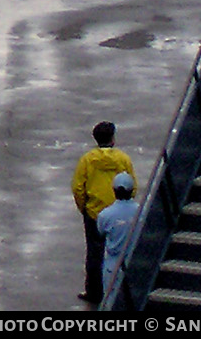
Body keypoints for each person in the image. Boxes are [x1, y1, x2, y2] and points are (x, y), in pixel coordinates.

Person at [72, 121, 135, 302]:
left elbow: (78, 187)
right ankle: (120, 288)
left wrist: (83, 207)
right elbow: (133, 183)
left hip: (94, 212)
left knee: (94, 253)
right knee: (121, 250)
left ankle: (94, 292)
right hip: (119, 211)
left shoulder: (87, 160)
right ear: (113, 138)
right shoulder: (123, 159)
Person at [95, 172, 141, 298]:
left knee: (110, 299)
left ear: (114, 190)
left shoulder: (105, 215)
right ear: (132, 190)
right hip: (135, 262)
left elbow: (100, 233)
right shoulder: (141, 211)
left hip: (113, 265)